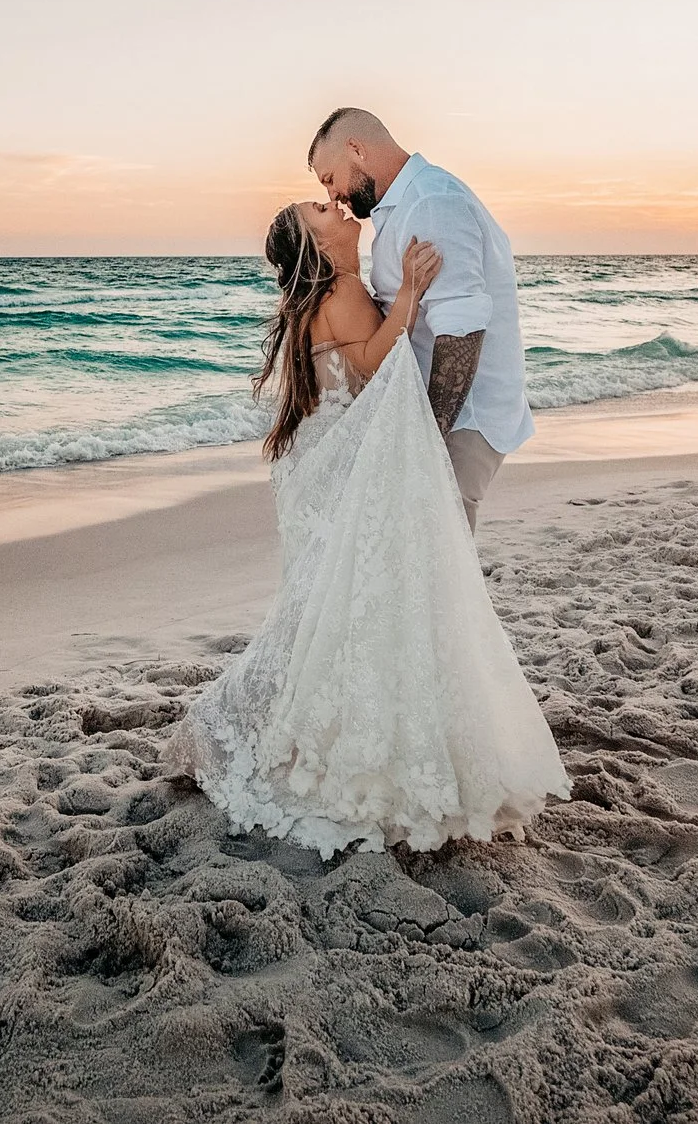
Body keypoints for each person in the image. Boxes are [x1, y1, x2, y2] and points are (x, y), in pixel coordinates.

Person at [160, 174, 569, 857]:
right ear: (319, 248)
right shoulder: (344, 291)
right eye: (323, 210)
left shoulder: (322, 299)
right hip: (339, 465)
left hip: (318, 462)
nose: (339, 206)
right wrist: (408, 295)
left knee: (328, 602)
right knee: (344, 600)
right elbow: (375, 369)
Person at [307, 108, 534, 531]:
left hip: (463, 419)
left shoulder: (431, 203)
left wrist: (428, 439)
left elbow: (461, 328)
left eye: (329, 178)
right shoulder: (401, 209)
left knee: (441, 560)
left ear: (356, 150)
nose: (333, 195)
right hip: (442, 415)